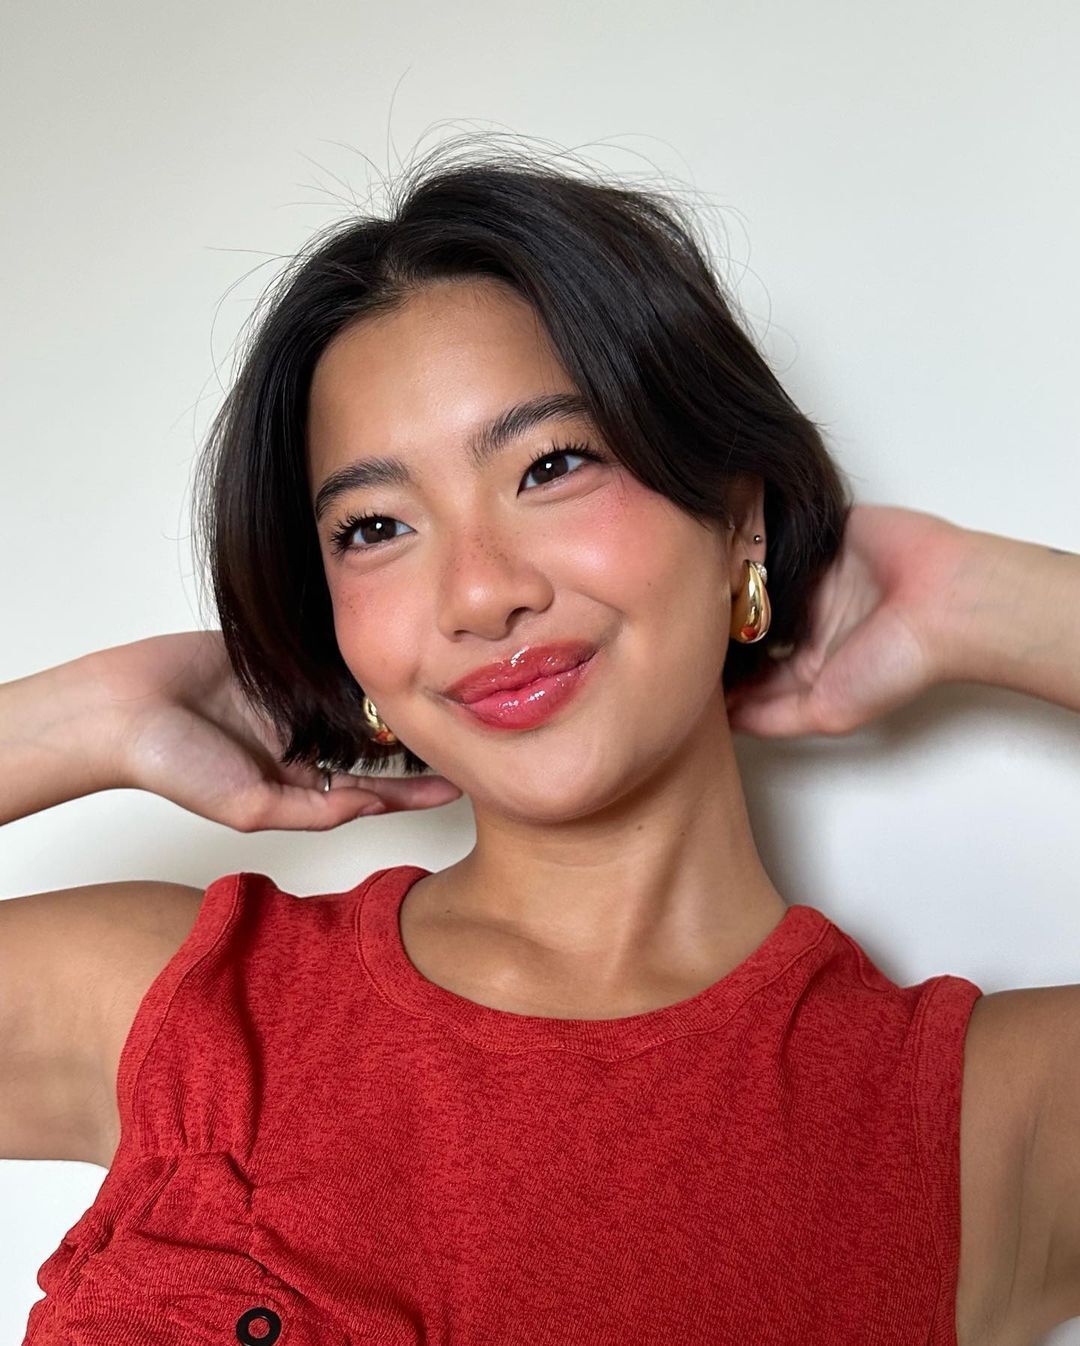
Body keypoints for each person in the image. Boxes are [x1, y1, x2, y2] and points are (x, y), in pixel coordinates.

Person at [2, 143, 1078, 1345]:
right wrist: (82, 719)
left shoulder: (980, 1124)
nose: (477, 594)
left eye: (552, 464)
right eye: (375, 527)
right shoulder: (195, 1002)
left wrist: (1005, 608)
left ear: (737, 522)